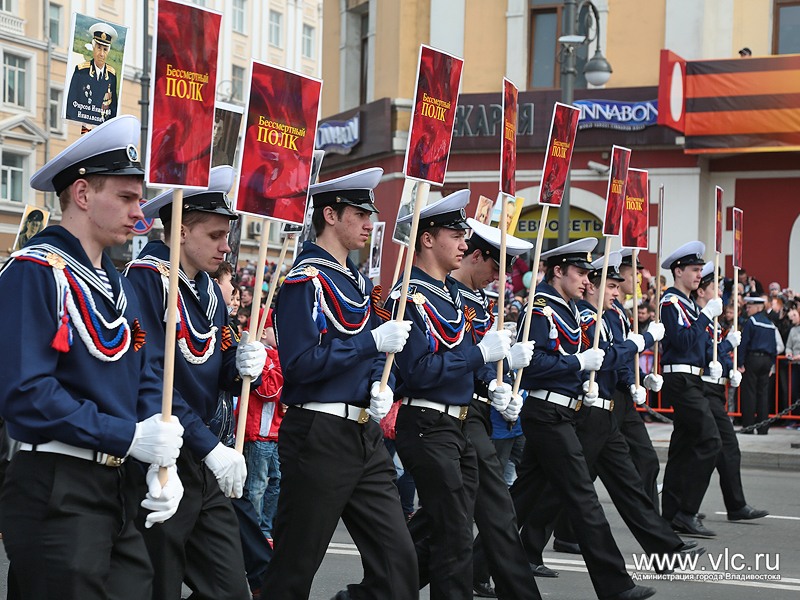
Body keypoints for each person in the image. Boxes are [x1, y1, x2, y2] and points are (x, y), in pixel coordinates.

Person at [0, 115, 184, 598]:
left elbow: (143, 376)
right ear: (82, 195)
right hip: (57, 485)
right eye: (125, 198)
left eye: (139, 200)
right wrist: (128, 436)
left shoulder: (115, 285)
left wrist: (161, 456)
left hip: (115, 486)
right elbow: (26, 393)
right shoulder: (34, 272)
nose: (138, 213)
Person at [262, 167, 418, 600]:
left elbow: (366, 357)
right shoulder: (304, 280)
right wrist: (370, 342)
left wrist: (378, 383)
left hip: (363, 433)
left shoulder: (357, 281)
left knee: (398, 565)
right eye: (360, 213)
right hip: (320, 435)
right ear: (330, 214)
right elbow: (300, 364)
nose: (370, 222)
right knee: (294, 569)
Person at [125, 165, 267, 599]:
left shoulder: (206, 289)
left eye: (228, 235)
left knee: (229, 589)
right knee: (159, 584)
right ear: (182, 231)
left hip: (206, 456)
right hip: (164, 457)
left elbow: (218, 363)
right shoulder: (145, 279)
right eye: (216, 235)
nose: (227, 248)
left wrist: (243, 363)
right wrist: (211, 448)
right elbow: (152, 379)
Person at [529, 252, 698, 573]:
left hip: (606, 409)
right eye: (609, 286)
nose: (616, 292)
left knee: (631, 480)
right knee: (561, 488)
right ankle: (529, 549)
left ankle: (667, 552)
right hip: (584, 412)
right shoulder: (580, 317)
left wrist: (636, 380)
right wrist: (643, 341)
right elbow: (597, 357)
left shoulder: (604, 316)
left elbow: (609, 360)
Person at [511, 238, 656, 600]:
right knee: (583, 498)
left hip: (565, 411)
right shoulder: (540, 309)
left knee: (518, 502)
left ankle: (478, 568)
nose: (586, 281)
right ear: (558, 271)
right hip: (546, 413)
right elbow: (532, 368)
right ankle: (615, 586)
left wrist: (592, 380)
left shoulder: (570, 308)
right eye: (579, 273)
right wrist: (578, 364)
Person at [385, 192, 514, 599]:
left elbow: (465, 363)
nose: (464, 244)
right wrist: (479, 354)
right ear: (427, 239)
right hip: (426, 423)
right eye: (456, 234)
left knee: (447, 532)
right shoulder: (408, 296)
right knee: (456, 535)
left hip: (458, 424)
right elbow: (420, 371)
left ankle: (374, 592)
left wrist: (493, 385)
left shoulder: (456, 298)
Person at [447, 216, 540, 599]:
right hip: (455, 414)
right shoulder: (450, 293)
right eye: (495, 267)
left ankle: (376, 589)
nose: (498, 279)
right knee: (497, 511)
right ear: (476, 256)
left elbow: (485, 365)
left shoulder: (483, 302)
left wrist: (500, 383)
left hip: (479, 415)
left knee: (448, 522)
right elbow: (455, 359)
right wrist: (486, 374)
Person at [659, 241, 726, 537]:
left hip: (694, 378)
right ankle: (687, 512)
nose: (700, 275)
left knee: (683, 446)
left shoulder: (686, 303)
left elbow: (696, 346)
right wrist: (704, 316)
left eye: (700, 269)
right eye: (695, 269)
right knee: (711, 440)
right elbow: (683, 342)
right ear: (678, 271)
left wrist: (719, 358)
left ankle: (672, 513)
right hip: (680, 380)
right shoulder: (671, 303)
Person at [694, 262, 768, 521]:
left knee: (719, 448)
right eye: (714, 287)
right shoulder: (697, 318)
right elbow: (702, 352)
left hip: (714, 389)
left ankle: (732, 506)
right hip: (700, 388)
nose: (719, 293)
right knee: (714, 446)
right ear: (701, 291)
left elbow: (716, 355)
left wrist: (730, 369)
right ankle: (683, 509)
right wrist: (726, 346)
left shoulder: (712, 321)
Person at [242, 308, 284, 543]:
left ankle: (266, 527)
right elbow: (270, 391)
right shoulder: (257, 356)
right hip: (258, 433)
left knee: (277, 481)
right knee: (256, 486)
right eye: (275, 329)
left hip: (276, 433)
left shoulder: (277, 356)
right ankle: (254, 530)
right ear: (264, 332)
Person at [738, 296, 783, 435]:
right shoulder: (770, 324)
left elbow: (744, 343)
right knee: (763, 395)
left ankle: (749, 427)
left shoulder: (752, 321)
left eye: (749, 306)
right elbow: (774, 347)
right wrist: (771, 364)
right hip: (766, 361)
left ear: (758, 307)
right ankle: (763, 428)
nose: (747, 309)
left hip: (753, 359)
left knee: (750, 393)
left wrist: (740, 362)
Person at [66, 22, 119, 124]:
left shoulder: (111, 75)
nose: (101, 54)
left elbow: (113, 108)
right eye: (99, 48)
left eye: (105, 49)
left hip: (102, 127)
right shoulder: (81, 71)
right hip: (84, 124)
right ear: (93, 48)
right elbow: (71, 103)